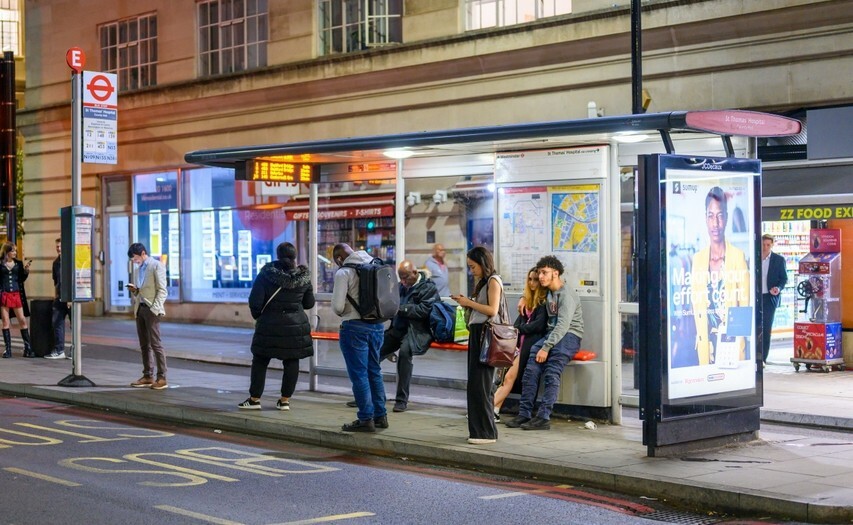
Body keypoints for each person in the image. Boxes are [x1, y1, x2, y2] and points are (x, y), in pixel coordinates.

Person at [506, 256, 583, 431]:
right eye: (539, 272)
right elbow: (530, 289)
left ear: (556, 273)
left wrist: (546, 348)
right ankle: (524, 413)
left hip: (569, 336)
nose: (540, 277)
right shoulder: (548, 291)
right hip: (551, 335)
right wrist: (523, 298)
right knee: (530, 371)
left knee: (551, 372)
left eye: (544, 272)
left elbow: (563, 326)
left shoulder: (566, 295)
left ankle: (543, 417)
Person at [239, 242, 315, 411]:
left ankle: (254, 399)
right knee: (291, 360)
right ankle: (285, 400)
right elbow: (309, 303)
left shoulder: (266, 275)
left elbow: (255, 302)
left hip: (269, 325)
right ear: (295, 256)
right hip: (295, 326)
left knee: (260, 360)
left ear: (278, 255)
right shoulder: (303, 277)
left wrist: (260, 316)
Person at [690, 187, 750, 366]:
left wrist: (739, 340)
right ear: (705, 218)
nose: (715, 223)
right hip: (705, 345)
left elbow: (744, 304)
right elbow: (696, 304)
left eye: (720, 215)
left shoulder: (737, 256)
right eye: (710, 216)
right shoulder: (698, 259)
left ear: (727, 216)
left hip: (731, 343)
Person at [332, 243, 388, 433]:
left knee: (359, 375)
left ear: (340, 258)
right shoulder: (374, 263)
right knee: (374, 371)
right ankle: (381, 415)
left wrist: (346, 311)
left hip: (354, 327)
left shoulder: (344, 273)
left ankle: (366, 418)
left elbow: (338, 307)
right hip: (378, 326)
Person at [451, 246, 501, 445]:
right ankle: (479, 430)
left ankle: (485, 433)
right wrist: (466, 303)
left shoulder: (493, 281)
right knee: (476, 385)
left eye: (473, 267)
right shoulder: (483, 282)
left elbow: (492, 310)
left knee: (481, 386)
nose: (471, 271)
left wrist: (469, 303)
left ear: (482, 263)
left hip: (485, 336)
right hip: (477, 334)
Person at [377, 260, 440, 413]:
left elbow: (423, 311)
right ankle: (368, 394)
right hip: (398, 329)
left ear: (415, 273)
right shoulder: (400, 287)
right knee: (374, 352)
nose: (403, 281)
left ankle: (401, 400)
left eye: (406, 277)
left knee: (405, 355)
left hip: (417, 332)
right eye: (401, 278)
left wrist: (402, 309)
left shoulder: (428, 287)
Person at [493, 267, 547, 420]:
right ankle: (494, 410)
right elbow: (521, 324)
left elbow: (537, 326)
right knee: (505, 379)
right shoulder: (527, 301)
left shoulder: (543, 302)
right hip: (518, 345)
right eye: (529, 279)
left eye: (535, 279)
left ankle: (486, 408)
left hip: (528, 346)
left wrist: (518, 329)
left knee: (508, 378)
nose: (532, 283)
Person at [126, 243, 169, 389]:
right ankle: (147, 375)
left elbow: (162, 290)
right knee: (144, 345)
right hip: (140, 309)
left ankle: (162, 377)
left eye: (135, 257)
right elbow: (142, 290)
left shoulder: (156, 266)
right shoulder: (139, 269)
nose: (134, 261)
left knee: (156, 344)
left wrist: (155, 309)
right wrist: (135, 290)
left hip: (151, 310)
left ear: (143, 253)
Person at [0, 242, 33, 358]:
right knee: (5, 321)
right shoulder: (0, 263)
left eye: (15, 251)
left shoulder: (18, 263)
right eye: (13, 251)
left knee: (22, 320)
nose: (15, 252)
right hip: (4, 294)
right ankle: (8, 350)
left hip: (16, 294)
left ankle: (28, 348)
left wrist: (26, 271)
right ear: (7, 252)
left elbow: (21, 279)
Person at [761, 234, 788, 365]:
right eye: (763, 244)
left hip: (769, 298)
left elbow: (784, 278)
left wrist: (778, 288)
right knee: (755, 327)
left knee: (766, 328)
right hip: (755, 297)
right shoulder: (754, 258)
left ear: (772, 245)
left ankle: (763, 359)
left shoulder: (778, 260)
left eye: (768, 245)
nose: (765, 247)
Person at [45, 238, 71, 360]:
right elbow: (56, 281)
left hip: (71, 299)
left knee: (74, 325)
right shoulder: (56, 263)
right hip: (60, 297)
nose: (58, 249)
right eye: (57, 247)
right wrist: (56, 295)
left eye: (60, 247)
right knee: (57, 323)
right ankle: (59, 350)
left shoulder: (71, 261)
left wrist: (71, 299)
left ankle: (74, 351)